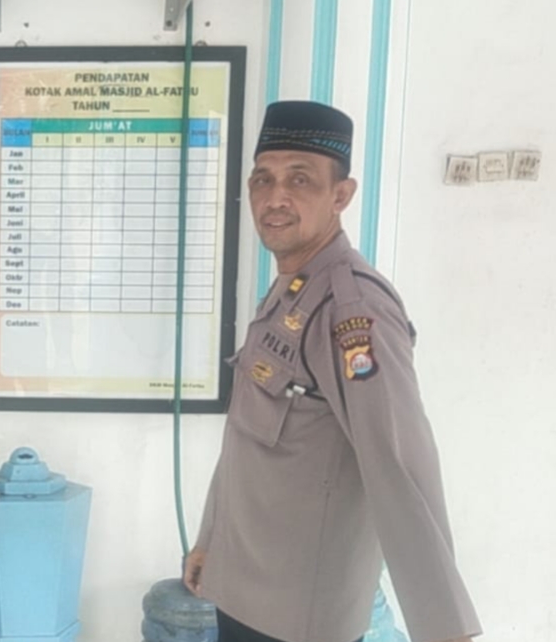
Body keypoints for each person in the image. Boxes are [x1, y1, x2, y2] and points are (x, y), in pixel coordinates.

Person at [183, 102, 481, 642]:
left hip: (299, 616)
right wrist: (210, 541)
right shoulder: (292, 288)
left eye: (300, 179)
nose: (275, 197)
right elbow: (248, 438)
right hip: (243, 589)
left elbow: (399, 465)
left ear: (341, 195)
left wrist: (444, 630)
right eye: (263, 179)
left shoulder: (352, 309)